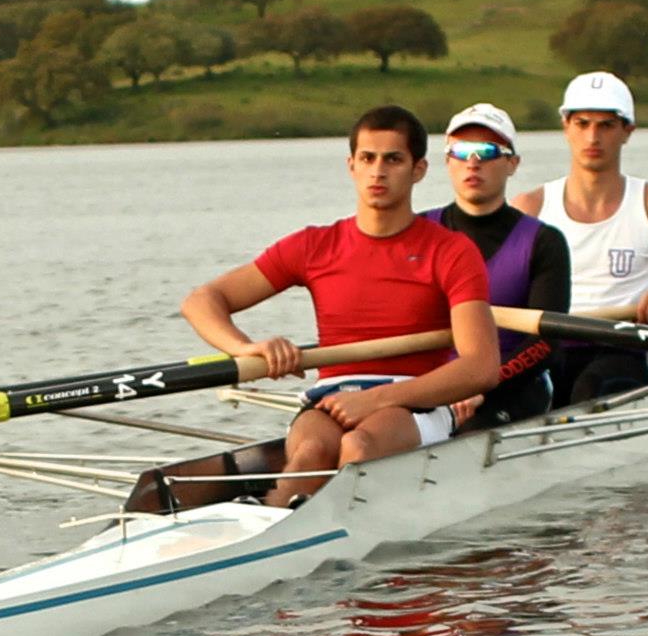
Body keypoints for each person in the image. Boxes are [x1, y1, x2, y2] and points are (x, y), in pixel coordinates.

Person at [181, 104, 499, 508]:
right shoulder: (314, 246)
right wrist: (246, 347)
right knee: (311, 452)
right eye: (367, 158)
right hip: (332, 396)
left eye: (393, 160)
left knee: (359, 446)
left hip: (418, 400)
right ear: (351, 166)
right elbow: (201, 301)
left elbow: (481, 367)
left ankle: (320, 523)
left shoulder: (451, 251)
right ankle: (270, 525)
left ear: (418, 170)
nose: (377, 172)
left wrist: (377, 399)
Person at [511, 71, 648, 404]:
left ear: (627, 131)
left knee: (590, 390)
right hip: (549, 347)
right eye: (582, 124)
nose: (592, 137)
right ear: (566, 127)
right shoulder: (530, 207)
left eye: (606, 126)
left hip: (623, 347)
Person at [421, 101, 572, 430]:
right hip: (426, 384)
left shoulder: (544, 242)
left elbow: (546, 343)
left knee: (470, 429)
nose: (473, 163)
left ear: (512, 164)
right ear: (447, 161)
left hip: (511, 385)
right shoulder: (416, 234)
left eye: (488, 151)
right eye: (462, 151)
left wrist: (481, 384)